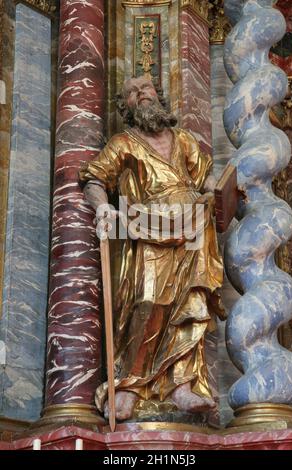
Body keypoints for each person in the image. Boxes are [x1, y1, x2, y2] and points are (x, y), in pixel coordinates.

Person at [79, 76, 224, 421]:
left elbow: (207, 181)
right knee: (148, 303)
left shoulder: (184, 139)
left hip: (193, 225)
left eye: (146, 89)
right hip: (147, 226)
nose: (141, 95)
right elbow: (95, 179)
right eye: (132, 92)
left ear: (158, 96)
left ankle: (182, 386)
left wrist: (223, 192)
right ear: (125, 106)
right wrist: (102, 207)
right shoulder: (123, 144)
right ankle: (128, 385)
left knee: (191, 302)